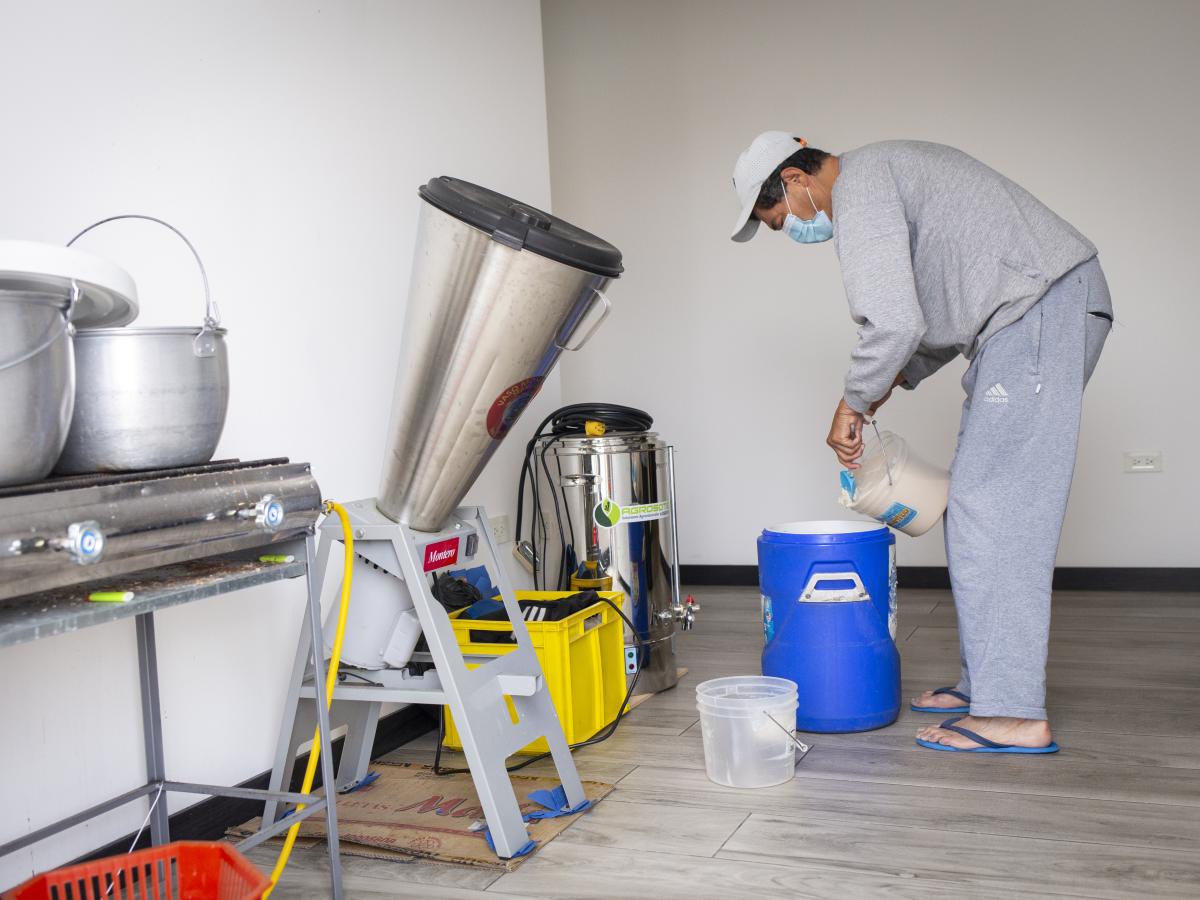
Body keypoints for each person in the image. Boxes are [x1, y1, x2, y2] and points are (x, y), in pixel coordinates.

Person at [730, 133, 1113, 754]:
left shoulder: (861, 192)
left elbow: (895, 320)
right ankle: (986, 686)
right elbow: (936, 311)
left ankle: (1012, 712)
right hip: (1030, 315)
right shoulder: (882, 177)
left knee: (998, 512)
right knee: (974, 506)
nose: (793, 229)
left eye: (780, 220)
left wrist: (852, 401)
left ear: (797, 180)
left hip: (1041, 312)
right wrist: (891, 382)